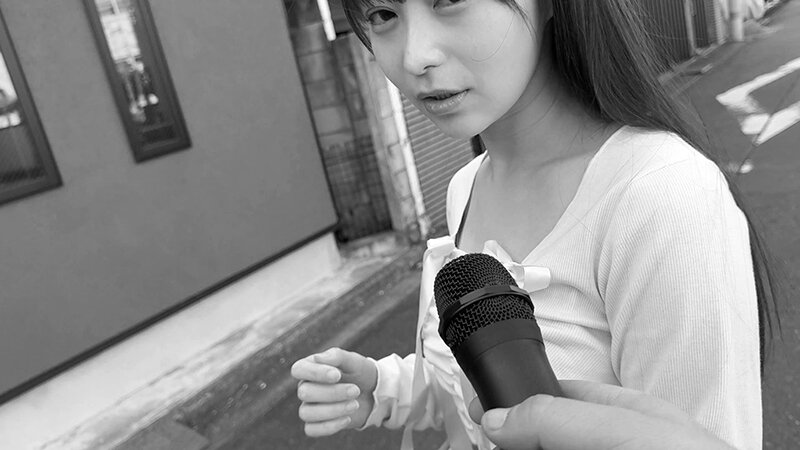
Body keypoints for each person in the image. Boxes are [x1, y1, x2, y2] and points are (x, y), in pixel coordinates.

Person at [291, 1, 780, 449]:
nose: (414, 56)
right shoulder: (466, 187)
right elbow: (476, 388)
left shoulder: (661, 196)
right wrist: (385, 389)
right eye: (382, 14)